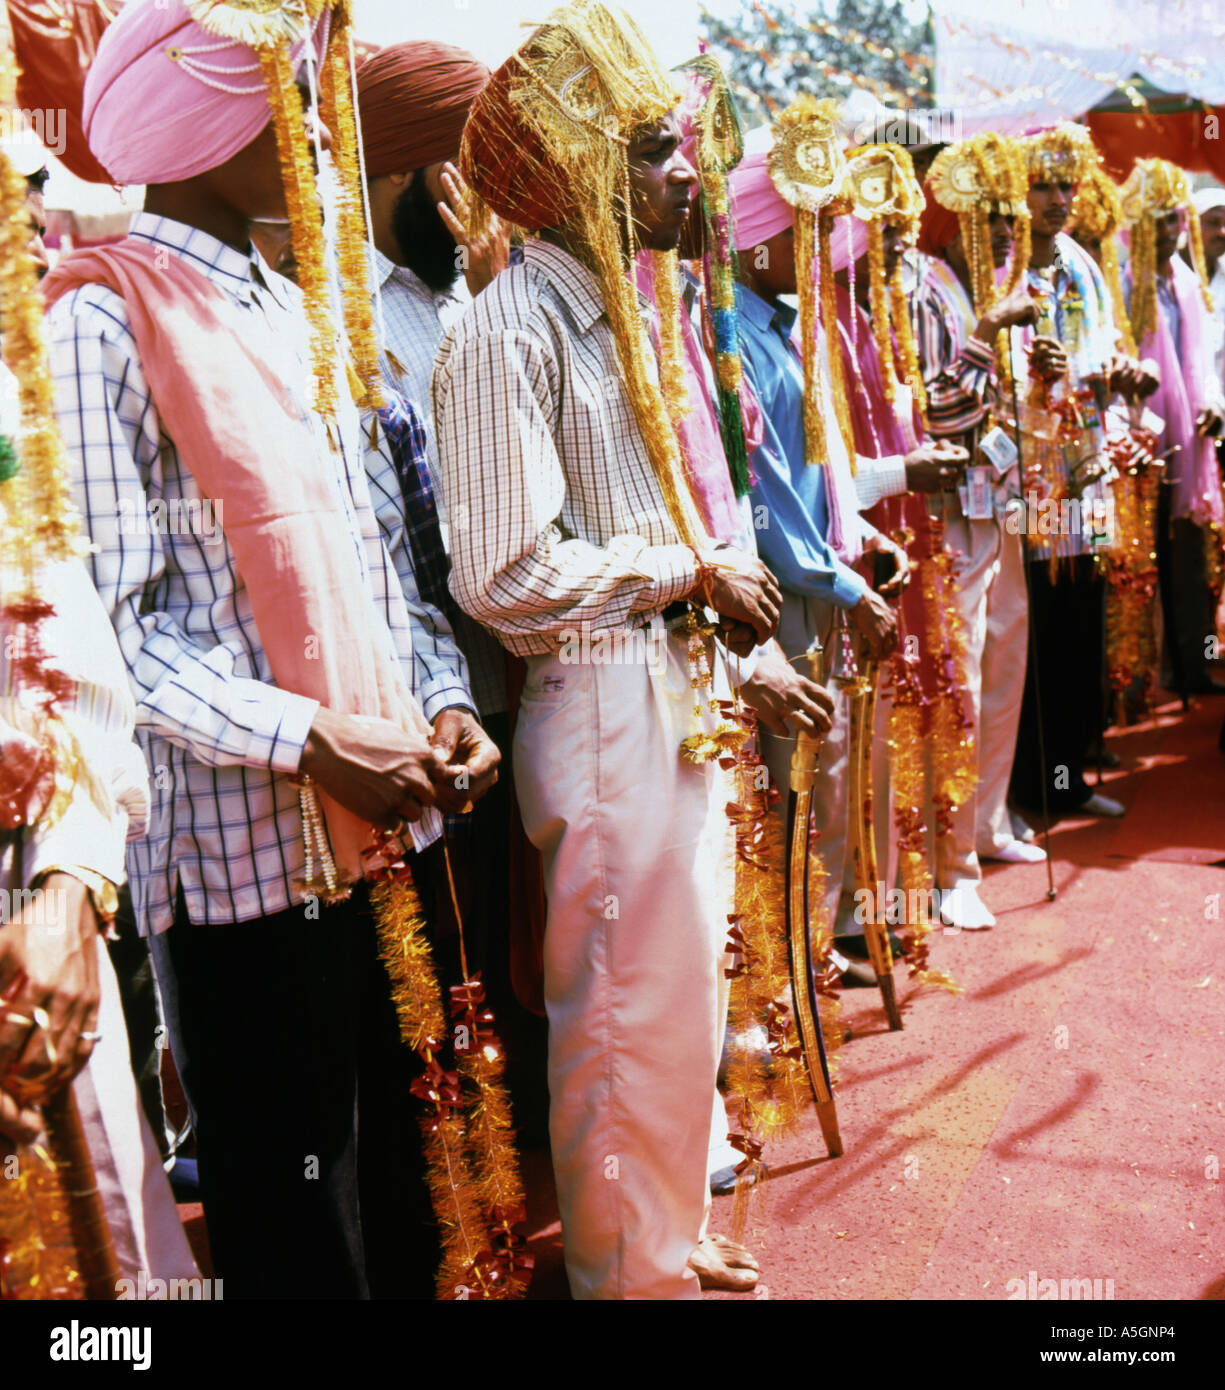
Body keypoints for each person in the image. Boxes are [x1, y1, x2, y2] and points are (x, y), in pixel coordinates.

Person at [45, 0, 498, 1299]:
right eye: (286, 93)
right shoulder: (102, 319)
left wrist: (443, 697)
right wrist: (307, 736)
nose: (314, 125)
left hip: (384, 834)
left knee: (408, 1209)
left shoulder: (300, 309)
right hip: (249, 881)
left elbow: (378, 568)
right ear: (205, 119)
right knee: (304, 1229)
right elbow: (106, 636)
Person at [436, 0, 782, 1299]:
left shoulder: (626, 318)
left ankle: (665, 1243)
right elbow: (507, 577)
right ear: (573, 159)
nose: (681, 168)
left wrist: (715, 620)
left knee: (676, 993)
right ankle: (622, 1276)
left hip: (668, 683)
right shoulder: (503, 330)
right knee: (625, 1011)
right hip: (597, 701)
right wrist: (687, 571)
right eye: (649, 144)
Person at [728, 138, 902, 978]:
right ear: (757, 235)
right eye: (803, 229)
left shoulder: (780, 325)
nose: (818, 250)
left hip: (816, 585)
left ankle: (810, 959)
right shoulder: (735, 336)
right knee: (789, 785)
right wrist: (843, 584)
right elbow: (766, 499)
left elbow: (814, 469)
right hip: (788, 596)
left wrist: (859, 540)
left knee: (819, 777)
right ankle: (787, 975)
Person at [915, 132, 1046, 896]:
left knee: (1003, 664)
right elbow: (935, 412)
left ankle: (989, 824)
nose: (1001, 229)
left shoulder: (987, 283)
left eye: (1005, 216)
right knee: (958, 675)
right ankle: (950, 857)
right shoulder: (929, 285)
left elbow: (995, 404)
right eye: (984, 213)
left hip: (998, 501)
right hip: (947, 512)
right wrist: (989, 333)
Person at [1009, 124, 1126, 820]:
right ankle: (1029, 786)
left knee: (1082, 623)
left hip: (1085, 475)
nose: (1056, 199)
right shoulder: (1002, 264)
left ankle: (1069, 778)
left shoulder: (1079, 262)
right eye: (1042, 185)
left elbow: (1102, 345)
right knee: (1038, 631)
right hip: (1027, 485)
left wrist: (1112, 373)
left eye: (1064, 185)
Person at [1123, 159, 1225, 700]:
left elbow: (1206, 363)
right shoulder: (1121, 275)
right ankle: (1130, 687)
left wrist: (1212, 404)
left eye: (1173, 221)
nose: (1167, 232)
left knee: (1188, 564)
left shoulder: (1186, 281)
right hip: (1136, 449)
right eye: (1156, 221)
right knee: (1134, 570)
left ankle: (1191, 668)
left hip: (1191, 451)